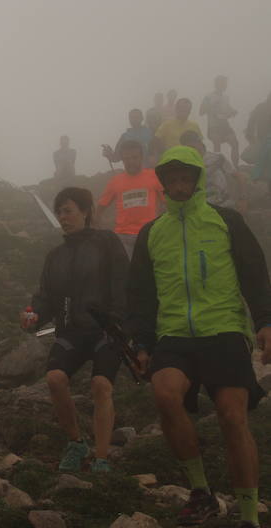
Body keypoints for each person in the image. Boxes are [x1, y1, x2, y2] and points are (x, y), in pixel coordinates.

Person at [126, 146, 271, 528]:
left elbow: (254, 273)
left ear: (197, 180)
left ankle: (247, 515)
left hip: (223, 330)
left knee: (231, 417)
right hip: (173, 333)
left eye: (185, 177)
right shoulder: (152, 233)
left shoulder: (226, 221)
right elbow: (140, 295)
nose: (178, 184)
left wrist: (265, 321)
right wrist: (141, 344)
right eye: (171, 179)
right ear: (163, 184)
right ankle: (201, 492)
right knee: (164, 393)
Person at [21, 187, 129, 473]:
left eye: (68, 210)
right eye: (59, 212)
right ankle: (77, 443)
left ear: (85, 211)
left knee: (101, 386)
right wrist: (33, 316)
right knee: (55, 379)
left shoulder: (106, 242)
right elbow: (44, 297)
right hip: (71, 332)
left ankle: (102, 458)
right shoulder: (55, 256)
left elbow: (123, 282)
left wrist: (123, 323)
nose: (62, 217)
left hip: (107, 331)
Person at [95, 140, 164, 259]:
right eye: (126, 158)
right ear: (122, 159)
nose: (131, 161)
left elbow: (168, 203)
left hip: (150, 234)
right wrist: (98, 226)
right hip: (123, 237)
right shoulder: (115, 181)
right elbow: (100, 208)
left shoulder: (154, 176)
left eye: (134, 157)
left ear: (142, 157)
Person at [180, 131, 247, 213]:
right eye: (188, 147)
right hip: (200, 209)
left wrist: (243, 199)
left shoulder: (217, 157)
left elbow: (239, 177)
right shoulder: (184, 164)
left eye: (193, 145)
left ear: (200, 143)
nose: (192, 149)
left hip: (224, 205)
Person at [200, 75, 239, 167]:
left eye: (225, 83)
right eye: (223, 83)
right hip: (213, 126)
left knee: (235, 143)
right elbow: (201, 111)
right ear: (216, 84)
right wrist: (211, 107)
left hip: (224, 125)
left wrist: (232, 111)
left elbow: (227, 109)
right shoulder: (208, 96)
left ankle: (236, 167)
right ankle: (217, 167)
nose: (225, 85)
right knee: (217, 145)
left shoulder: (226, 97)